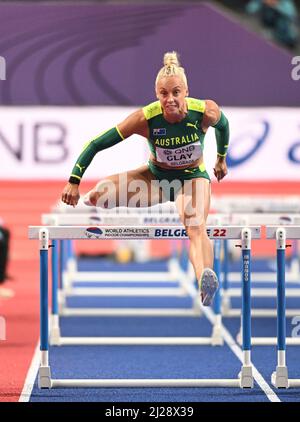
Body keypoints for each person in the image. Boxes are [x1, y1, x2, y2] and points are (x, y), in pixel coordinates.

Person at [61, 51, 229, 306]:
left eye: (176, 92)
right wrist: (74, 180)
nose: (170, 99)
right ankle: (98, 196)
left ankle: (203, 281)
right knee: (99, 196)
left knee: (195, 225)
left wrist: (220, 158)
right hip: (155, 179)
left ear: (186, 91)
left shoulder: (205, 110)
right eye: (163, 94)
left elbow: (224, 126)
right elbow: (96, 144)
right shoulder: (145, 118)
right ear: (157, 94)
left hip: (192, 179)